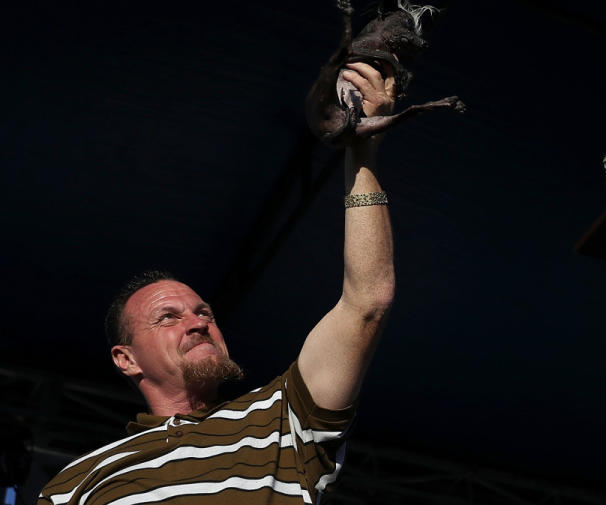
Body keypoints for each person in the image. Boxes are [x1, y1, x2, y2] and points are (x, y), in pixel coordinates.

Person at [38, 60, 398, 505]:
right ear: (126, 359)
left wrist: (362, 155)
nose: (197, 322)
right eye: (167, 317)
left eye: (203, 312)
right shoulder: (75, 482)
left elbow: (365, 302)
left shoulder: (285, 417)